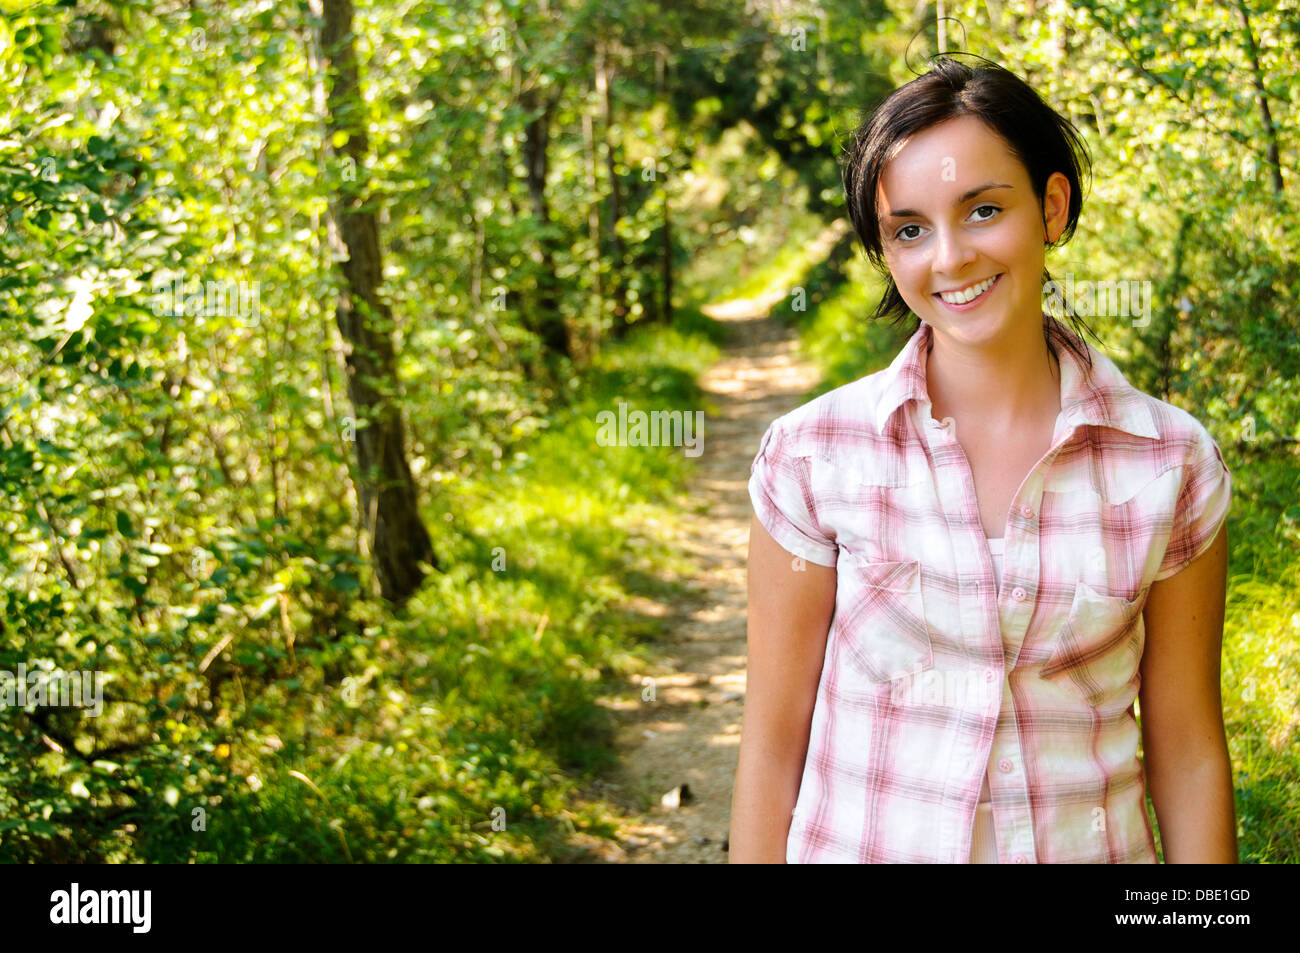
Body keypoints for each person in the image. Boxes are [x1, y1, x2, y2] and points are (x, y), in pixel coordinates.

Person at [729, 56, 1236, 864]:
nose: (951, 257)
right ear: (887, 252)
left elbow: (1188, 748)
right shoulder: (814, 458)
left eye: (984, 209)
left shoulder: (1171, 464)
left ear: (1052, 206)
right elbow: (771, 741)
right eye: (910, 229)